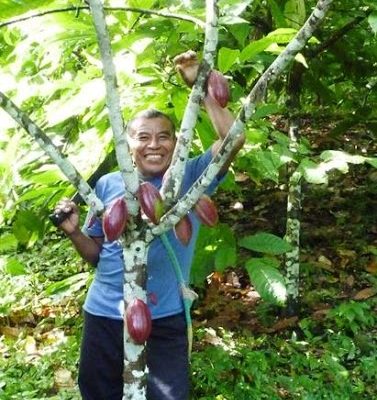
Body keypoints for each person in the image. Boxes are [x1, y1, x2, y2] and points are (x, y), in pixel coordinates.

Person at [54, 54, 244, 400]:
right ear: (128, 144)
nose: (154, 145)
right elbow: (99, 255)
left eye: (164, 137)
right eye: (143, 137)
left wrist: (201, 86)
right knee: (98, 392)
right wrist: (74, 231)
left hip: (164, 316)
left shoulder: (189, 178)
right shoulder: (110, 184)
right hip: (105, 313)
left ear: (178, 142)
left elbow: (232, 140)